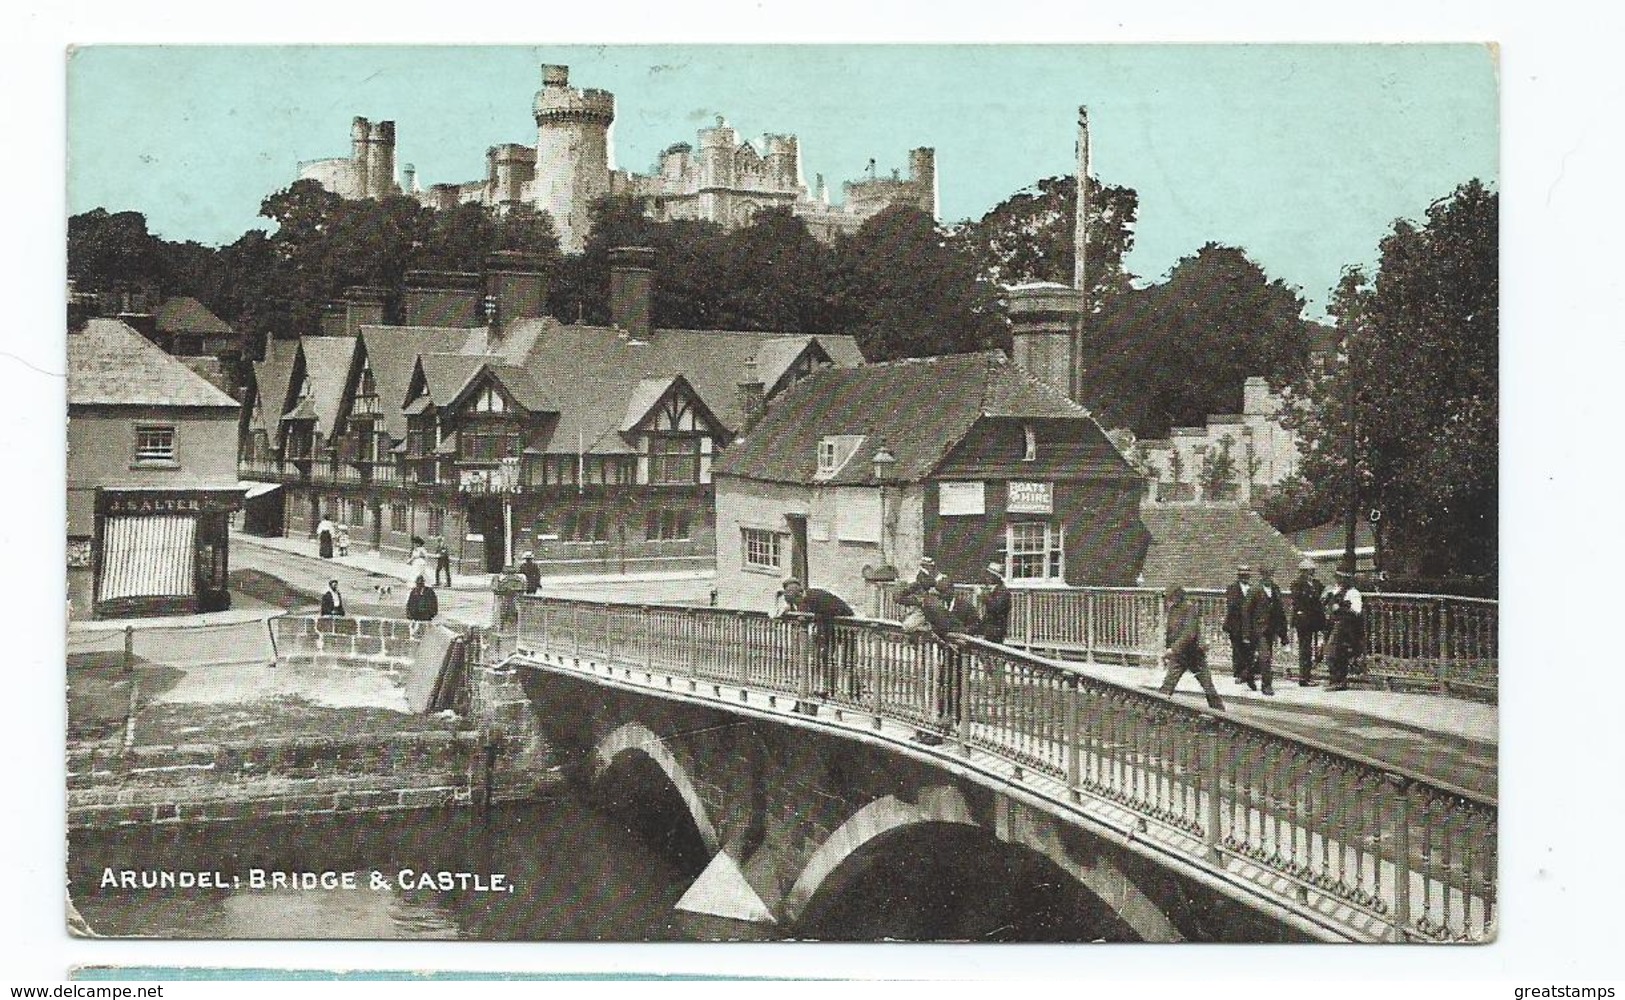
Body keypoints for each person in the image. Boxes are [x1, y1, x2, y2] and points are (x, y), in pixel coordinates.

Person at [918, 574, 978, 743]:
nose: (942, 595)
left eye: (944, 592)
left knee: (957, 685)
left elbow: (975, 624)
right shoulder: (939, 606)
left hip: (960, 654)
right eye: (940, 592)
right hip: (946, 652)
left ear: (952, 590)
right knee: (943, 683)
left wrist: (963, 633)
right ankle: (943, 720)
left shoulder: (965, 606)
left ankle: (956, 721)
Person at [780, 578, 857, 699]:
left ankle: (853, 693)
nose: (797, 603)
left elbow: (826, 614)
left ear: (800, 594)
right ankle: (828, 690)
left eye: (797, 601)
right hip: (828, 626)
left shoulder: (815, 597)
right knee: (825, 658)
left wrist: (818, 632)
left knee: (847, 660)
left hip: (846, 626)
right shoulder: (805, 597)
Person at [1158, 585, 1225, 711]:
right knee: (1168, 683)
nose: (1168, 601)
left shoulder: (1189, 608)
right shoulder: (1174, 609)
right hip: (1179, 655)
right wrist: (1170, 649)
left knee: (1207, 684)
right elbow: (1171, 632)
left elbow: (1190, 633)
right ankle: (1158, 711)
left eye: (1170, 598)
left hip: (1194, 654)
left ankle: (1220, 713)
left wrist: (1173, 649)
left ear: (1177, 597)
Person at [1246, 566, 1290, 696]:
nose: (1268, 577)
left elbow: (1280, 612)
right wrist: (1246, 633)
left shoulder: (1275, 590)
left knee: (1264, 657)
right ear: (1262, 576)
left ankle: (1248, 673)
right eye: (1266, 575)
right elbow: (1246, 612)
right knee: (1265, 657)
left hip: (1272, 629)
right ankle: (1267, 685)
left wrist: (1283, 634)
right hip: (1258, 630)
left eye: (1270, 574)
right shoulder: (1254, 590)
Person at [1322, 570, 1365, 691]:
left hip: (1345, 626)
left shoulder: (1353, 593)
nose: (1339, 581)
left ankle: (1339, 680)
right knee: (1331, 652)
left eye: (1341, 578)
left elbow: (1356, 611)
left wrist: (1340, 608)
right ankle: (1335, 679)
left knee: (1336, 652)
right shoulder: (1335, 591)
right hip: (1333, 624)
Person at [1290, 558, 1327, 685]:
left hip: (1314, 620)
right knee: (1305, 648)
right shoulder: (1297, 584)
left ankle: (1308, 673)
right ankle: (1304, 677)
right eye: (1309, 571)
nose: (1311, 574)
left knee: (1312, 647)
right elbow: (1300, 600)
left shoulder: (1316, 583)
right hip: (1303, 621)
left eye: (1312, 571)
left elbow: (1324, 593)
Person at [1223, 564, 1256, 687]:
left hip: (1249, 625)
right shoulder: (1232, 588)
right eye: (1242, 575)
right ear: (1239, 576)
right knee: (1238, 650)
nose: (1245, 578)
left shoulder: (1252, 589)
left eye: (1246, 575)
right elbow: (1232, 606)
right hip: (1235, 624)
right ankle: (1238, 674)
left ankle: (1247, 673)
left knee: (1249, 650)